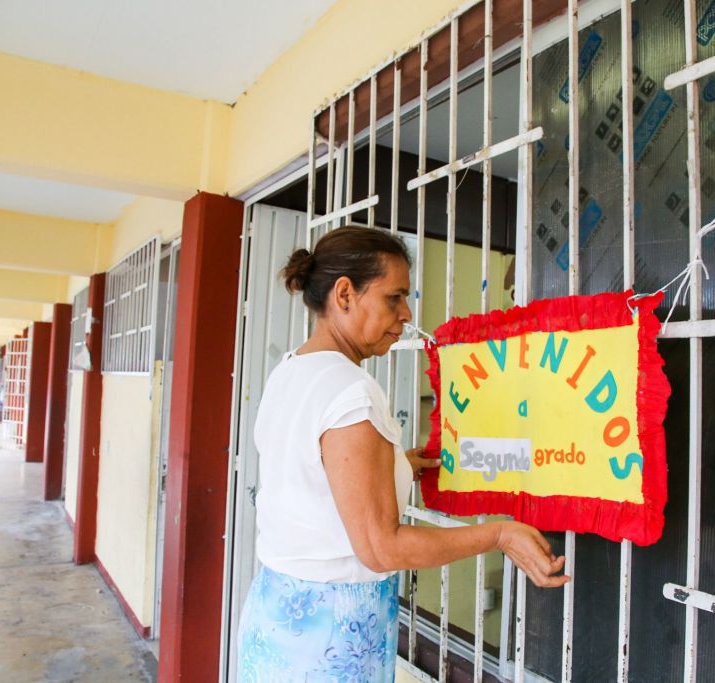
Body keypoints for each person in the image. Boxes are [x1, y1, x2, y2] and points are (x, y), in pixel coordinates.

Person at [237, 226, 569, 682]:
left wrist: (395, 465)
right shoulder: (349, 390)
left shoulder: (291, 371)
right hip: (330, 641)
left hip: (277, 624)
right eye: (394, 297)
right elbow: (381, 548)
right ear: (345, 294)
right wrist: (498, 535)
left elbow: (313, 477)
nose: (407, 313)